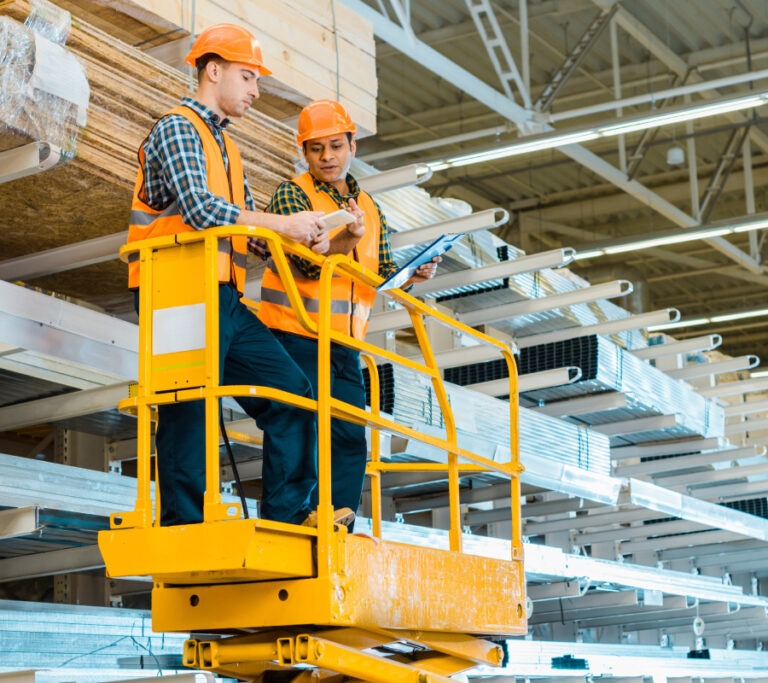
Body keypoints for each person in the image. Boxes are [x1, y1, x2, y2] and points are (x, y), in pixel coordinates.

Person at [126, 24, 327, 527]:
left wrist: (298, 236)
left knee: (293, 395)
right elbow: (199, 210)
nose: (256, 91)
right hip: (175, 293)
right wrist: (282, 222)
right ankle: (184, 525)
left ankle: (287, 513)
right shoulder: (176, 127)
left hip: (224, 297)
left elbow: (249, 233)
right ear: (212, 71)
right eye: (248, 77)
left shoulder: (228, 150)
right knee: (187, 406)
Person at [258, 99, 439, 529]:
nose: (327, 157)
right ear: (304, 151)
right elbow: (303, 262)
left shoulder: (371, 208)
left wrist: (414, 273)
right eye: (316, 148)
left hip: (344, 344)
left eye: (335, 146)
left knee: (348, 436)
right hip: (296, 334)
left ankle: (337, 518)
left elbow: (380, 271)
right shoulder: (293, 194)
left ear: (352, 145)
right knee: (298, 427)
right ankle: (291, 518)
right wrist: (343, 237)